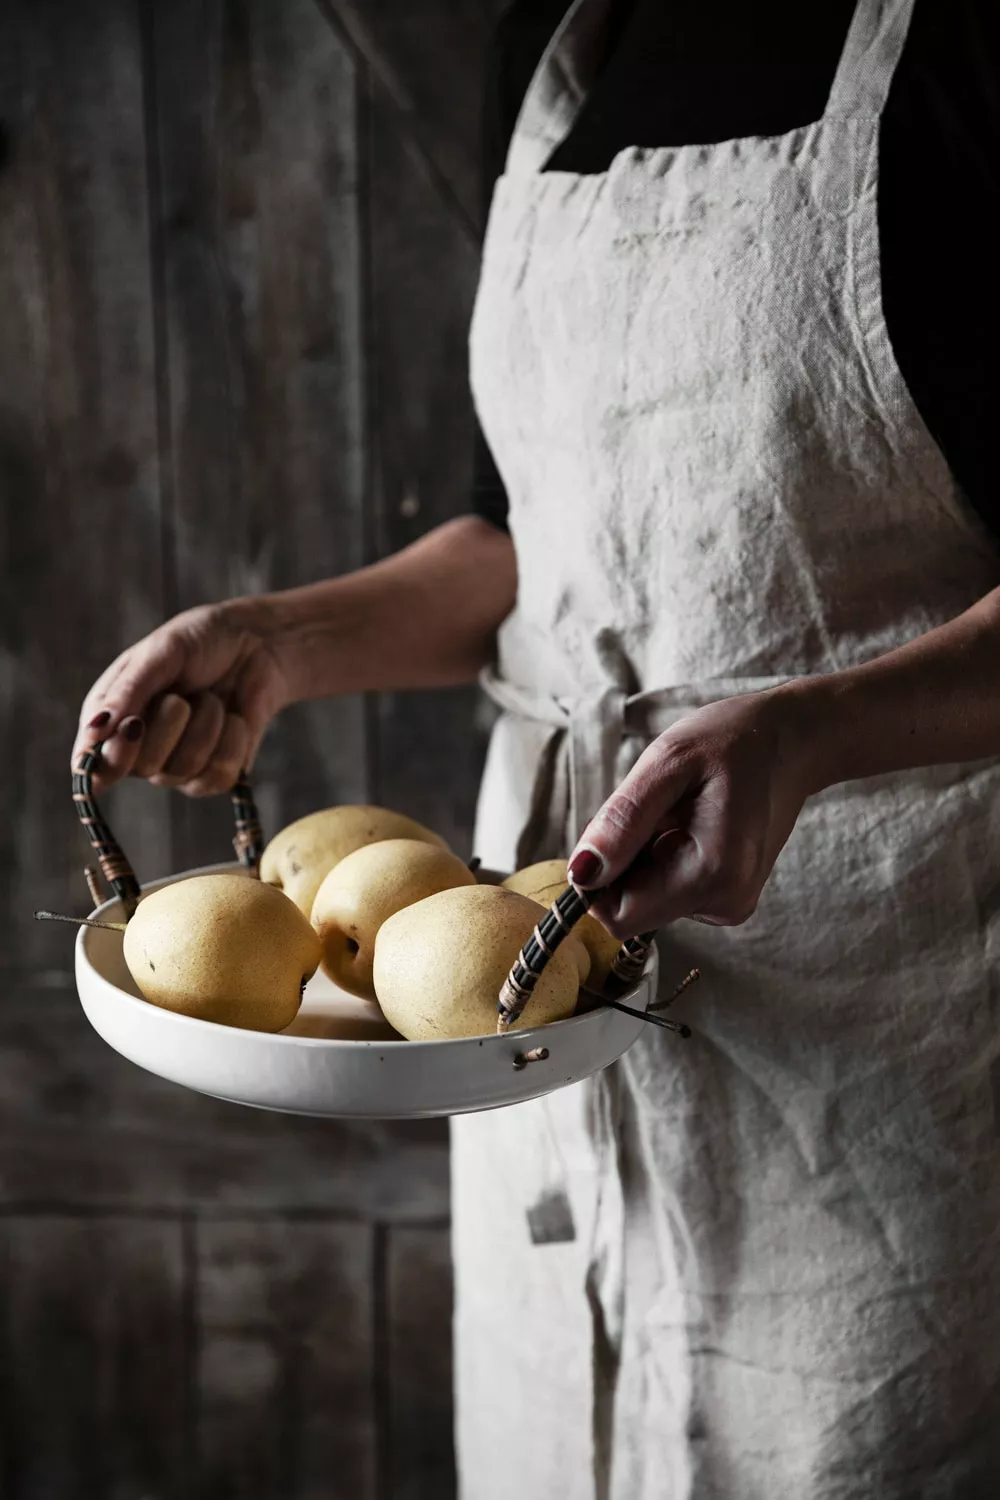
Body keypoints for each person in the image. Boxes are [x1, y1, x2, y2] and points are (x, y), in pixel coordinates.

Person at [74, 0, 1000, 1494]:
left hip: (884, 992)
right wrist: (282, 640)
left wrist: (816, 727)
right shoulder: (564, 40)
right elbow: (533, 543)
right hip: (526, 989)